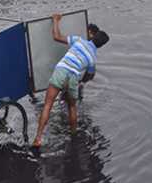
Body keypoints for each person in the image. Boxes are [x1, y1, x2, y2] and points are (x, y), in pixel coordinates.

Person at [32, 14, 109, 148]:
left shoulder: (79, 40)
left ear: (92, 36)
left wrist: (56, 20)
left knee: (47, 105)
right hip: (73, 77)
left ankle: (38, 139)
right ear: (101, 45)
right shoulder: (92, 59)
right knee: (72, 107)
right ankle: (73, 135)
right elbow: (89, 75)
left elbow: (56, 36)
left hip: (61, 71)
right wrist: (81, 82)